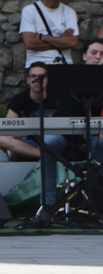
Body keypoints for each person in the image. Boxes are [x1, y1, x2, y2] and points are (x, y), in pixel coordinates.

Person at [40, 39, 103, 212]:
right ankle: (48, 205)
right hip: (64, 131)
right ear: (84, 56)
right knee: (48, 145)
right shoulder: (69, 76)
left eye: (102, 54)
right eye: (93, 52)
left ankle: (97, 202)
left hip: (92, 135)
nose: (98, 57)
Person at [19, 0, 79, 67]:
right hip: (38, 66)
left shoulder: (69, 12)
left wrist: (44, 37)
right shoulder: (30, 10)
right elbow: (30, 43)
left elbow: (73, 43)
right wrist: (61, 40)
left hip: (64, 64)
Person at [0, 62, 53, 161]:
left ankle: (24, 153)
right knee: (2, 140)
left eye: (42, 77)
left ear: (48, 79)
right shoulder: (19, 99)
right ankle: (39, 154)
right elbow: (7, 129)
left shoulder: (57, 98)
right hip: (31, 140)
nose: (37, 80)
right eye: (33, 76)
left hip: (53, 140)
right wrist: (30, 133)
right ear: (28, 79)